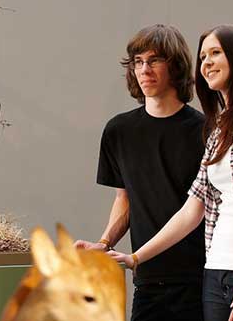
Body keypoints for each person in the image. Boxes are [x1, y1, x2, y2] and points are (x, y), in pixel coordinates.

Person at [108, 25, 233, 321]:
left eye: (216, 53)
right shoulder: (219, 128)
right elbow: (192, 210)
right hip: (215, 272)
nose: (207, 63)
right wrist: (136, 257)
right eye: (203, 57)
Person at [75, 24, 206, 321]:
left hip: (199, 279)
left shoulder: (204, 131)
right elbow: (126, 199)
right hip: (147, 278)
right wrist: (105, 243)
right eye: (138, 61)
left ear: (175, 66)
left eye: (155, 60)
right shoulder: (118, 131)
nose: (145, 69)